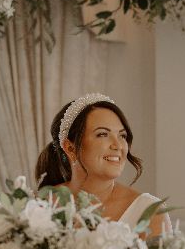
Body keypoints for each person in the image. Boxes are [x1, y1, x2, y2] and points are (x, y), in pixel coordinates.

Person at [35, 93, 169, 237]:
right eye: (102, 134)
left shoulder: (150, 213)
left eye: (122, 136)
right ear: (70, 148)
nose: (118, 145)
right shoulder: (37, 206)